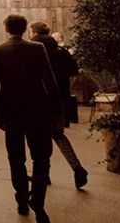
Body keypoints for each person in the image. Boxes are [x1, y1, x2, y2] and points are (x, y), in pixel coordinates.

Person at [0, 15, 62, 223]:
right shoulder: (37, 48)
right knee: (42, 158)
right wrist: (58, 111)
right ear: (23, 29)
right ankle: (37, 200)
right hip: (37, 109)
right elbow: (50, 81)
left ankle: (21, 199)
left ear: (6, 29)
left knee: (16, 158)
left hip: (11, 112)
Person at [30, 22, 87, 189]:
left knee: (39, 137)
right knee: (58, 134)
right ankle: (77, 167)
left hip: (40, 98)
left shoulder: (35, 50)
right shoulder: (61, 51)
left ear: (34, 33)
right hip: (59, 98)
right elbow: (74, 70)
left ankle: (42, 174)